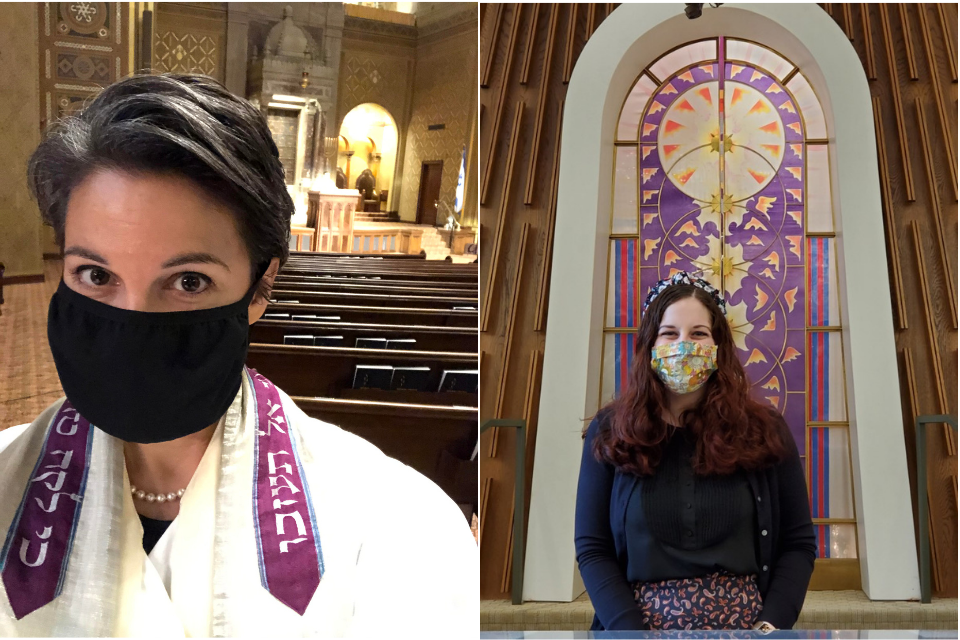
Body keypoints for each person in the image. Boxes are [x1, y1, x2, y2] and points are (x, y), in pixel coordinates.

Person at [0, 74, 476, 637]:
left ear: (259, 287)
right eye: (96, 274)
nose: (134, 319)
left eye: (189, 281)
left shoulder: (396, 526)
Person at [575, 271, 815, 632]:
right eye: (670, 333)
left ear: (718, 347)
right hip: (636, 628)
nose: (683, 345)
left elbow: (797, 543)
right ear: (650, 346)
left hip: (746, 630)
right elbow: (593, 547)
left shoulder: (764, 430)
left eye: (698, 334)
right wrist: (629, 632)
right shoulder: (612, 431)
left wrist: (771, 625)